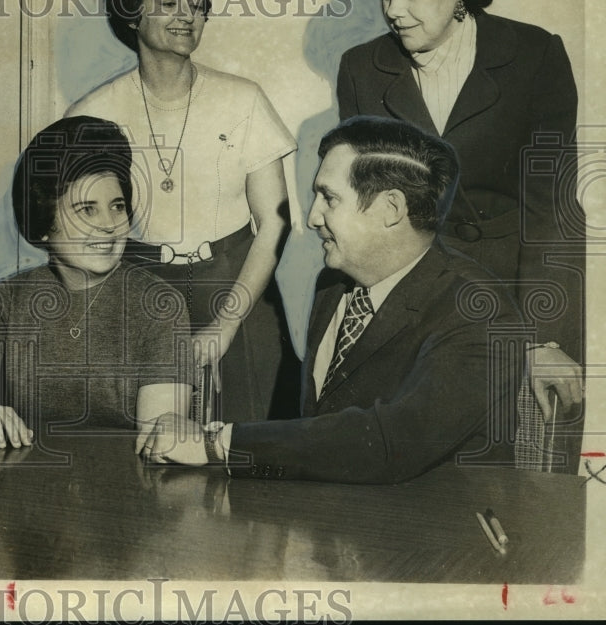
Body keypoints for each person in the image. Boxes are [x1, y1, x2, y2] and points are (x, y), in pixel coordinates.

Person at [141, 116, 524, 484]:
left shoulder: (480, 312)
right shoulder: (333, 284)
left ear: (391, 209)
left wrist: (218, 443)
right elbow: (319, 433)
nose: (312, 218)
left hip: (438, 537)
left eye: (329, 198)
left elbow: (394, 443)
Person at [335, 0, 584, 439]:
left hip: (506, 312)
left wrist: (545, 338)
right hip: (403, 311)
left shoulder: (534, 56)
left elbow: (552, 208)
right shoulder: (360, 68)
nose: (393, 9)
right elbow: (362, 216)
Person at [65, 0, 296, 424]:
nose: (187, 14)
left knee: (248, 451)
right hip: (140, 292)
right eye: (170, 1)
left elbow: (275, 224)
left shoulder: (244, 99)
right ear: (132, 12)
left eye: (198, 3)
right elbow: (79, 233)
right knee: (147, 448)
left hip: (238, 290)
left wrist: (226, 326)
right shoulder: (92, 114)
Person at [0, 115, 193, 448]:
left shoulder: (158, 304)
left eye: (117, 206)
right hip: (26, 487)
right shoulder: (13, 295)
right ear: (43, 223)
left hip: (125, 491)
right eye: (87, 210)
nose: (110, 225)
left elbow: (159, 439)